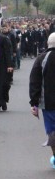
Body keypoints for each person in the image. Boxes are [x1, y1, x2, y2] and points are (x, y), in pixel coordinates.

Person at [29, 33, 55, 168]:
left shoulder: (41, 59)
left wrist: (33, 103)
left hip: (49, 103)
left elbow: (34, 81)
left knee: (52, 132)